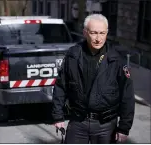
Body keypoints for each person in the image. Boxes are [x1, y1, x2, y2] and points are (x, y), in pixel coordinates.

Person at [51, 14, 135, 144]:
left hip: (106, 126)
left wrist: (124, 127)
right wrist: (58, 117)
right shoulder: (73, 55)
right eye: (94, 33)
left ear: (107, 33)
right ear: (85, 33)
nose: (98, 38)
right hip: (78, 122)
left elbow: (127, 96)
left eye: (102, 33)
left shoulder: (116, 60)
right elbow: (61, 87)